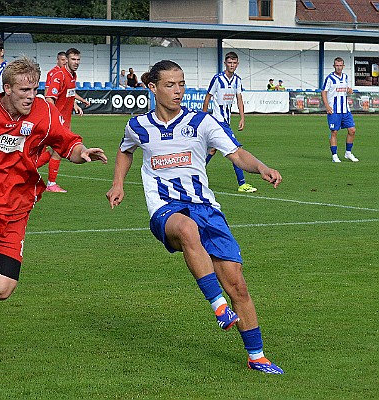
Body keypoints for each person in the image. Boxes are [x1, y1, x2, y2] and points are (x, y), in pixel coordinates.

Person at [106, 60, 284, 374]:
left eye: (182, 84)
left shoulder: (202, 122)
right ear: (153, 87)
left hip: (207, 210)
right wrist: (118, 182)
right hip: (166, 210)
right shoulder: (138, 126)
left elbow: (237, 154)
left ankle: (257, 356)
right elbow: (125, 150)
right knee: (186, 229)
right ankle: (218, 307)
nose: (178, 91)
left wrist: (263, 167)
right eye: (170, 85)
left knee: (239, 286)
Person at [0, 56, 107, 301]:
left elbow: (68, 143)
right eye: (24, 90)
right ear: (7, 89)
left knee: (1, 289)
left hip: (16, 210)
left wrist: (83, 152)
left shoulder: (44, 112)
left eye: (34, 89)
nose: (31, 95)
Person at [202, 51, 257, 193]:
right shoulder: (217, 79)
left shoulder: (237, 80)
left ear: (237, 64)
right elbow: (208, 96)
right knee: (234, 150)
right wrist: (203, 115)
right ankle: (242, 183)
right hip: (218, 120)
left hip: (226, 120)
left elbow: (239, 99)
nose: (232, 65)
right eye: (229, 62)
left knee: (212, 150)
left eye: (234, 63)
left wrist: (242, 117)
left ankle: (194, 175)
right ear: (225, 63)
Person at [43, 48, 91, 192]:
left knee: (52, 151)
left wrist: (76, 104)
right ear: (66, 60)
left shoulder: (72, 75)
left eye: (78, 60)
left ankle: (27, 170)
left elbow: (69, 93)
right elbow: (49, 98)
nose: (76, 62)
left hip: (66, 121)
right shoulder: (59, 75)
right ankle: (51, 184)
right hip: (59, 122)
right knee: (58, 151)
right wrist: (55, 120)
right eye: (73, 59)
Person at [322, 57, 359, 163]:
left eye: (340, 65)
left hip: (345, 109)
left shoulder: (345, 77)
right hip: (334, 110)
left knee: (352, 130)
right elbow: (324, 91)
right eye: (336, 65)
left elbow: (345, 89)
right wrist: (327, 106)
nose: (338, 67)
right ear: (334, 66)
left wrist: (349, 90)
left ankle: (348, 153)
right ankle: (334, 156)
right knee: (334, 132)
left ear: (343, 66)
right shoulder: (330, 78)